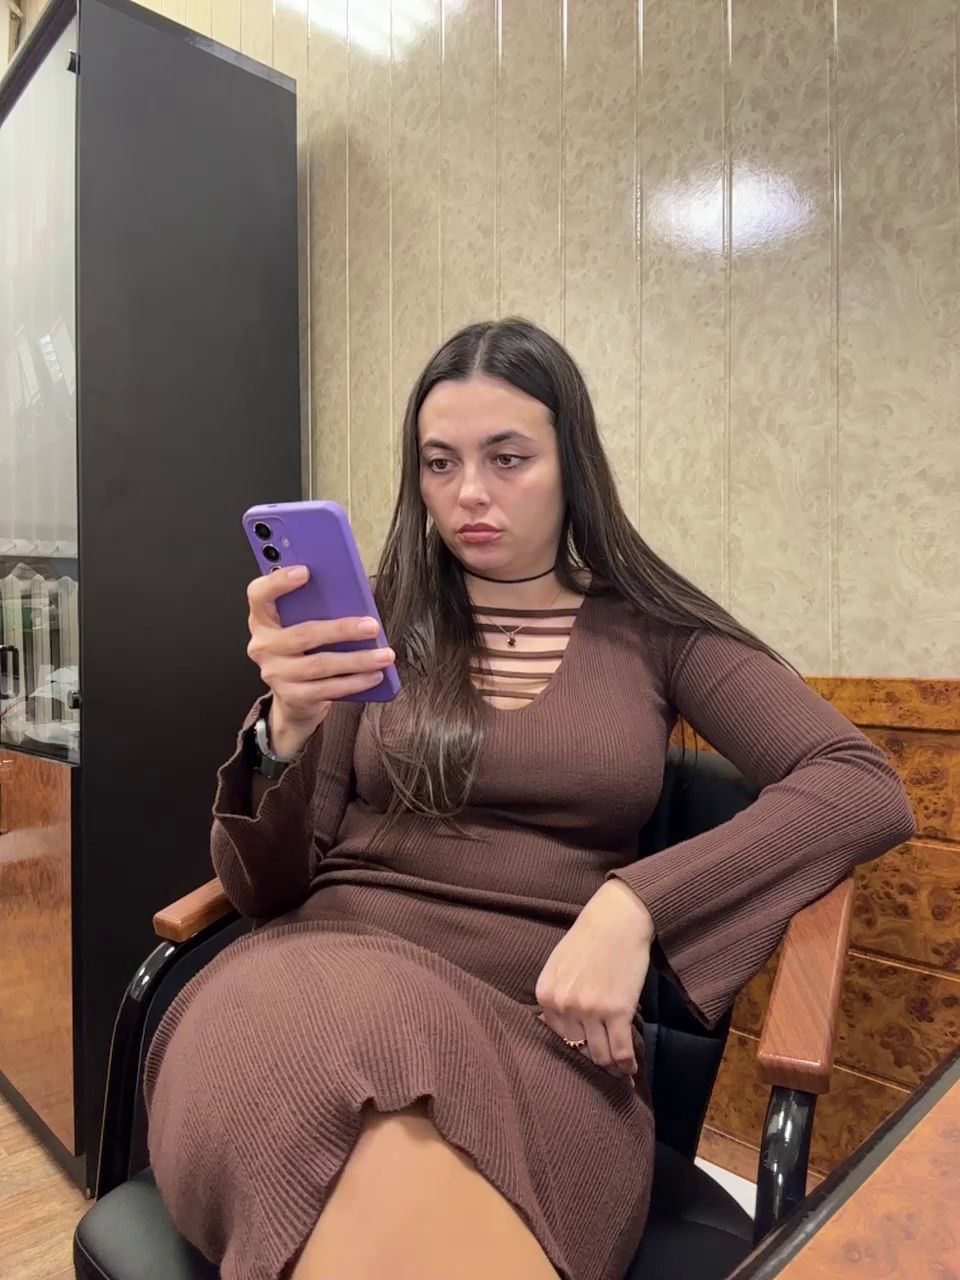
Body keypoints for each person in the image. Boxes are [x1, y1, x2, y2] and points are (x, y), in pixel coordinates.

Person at [145, 318, 915, 1280]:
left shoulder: (653, 631)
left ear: (571, 465)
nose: (469, 492)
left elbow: (859, 783)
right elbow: (262, 891)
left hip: (539, 1038)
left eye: (508, 458)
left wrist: (636, 903)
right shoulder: (372, 617)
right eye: (440, 462)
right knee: (325, 1048)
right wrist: (285, 729)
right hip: (310, 982)